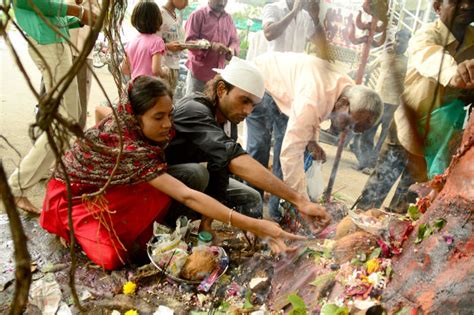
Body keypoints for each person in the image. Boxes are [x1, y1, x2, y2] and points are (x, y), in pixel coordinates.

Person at [40, 76, 305, 270]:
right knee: (113, 259)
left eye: (169, 115)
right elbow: (188, 196)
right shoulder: (129, 146)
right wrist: (258, 223)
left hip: (123, 184)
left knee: (162, 201)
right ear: (135, 116)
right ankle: (69, 228)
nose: (168, 125)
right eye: (158, 118)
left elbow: (223, 166)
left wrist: (209, 223)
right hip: (73, 197)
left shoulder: (142, 128)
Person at [165, 57, 331, 233]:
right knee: (197, 174)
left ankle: (253, 241)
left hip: (189, 182)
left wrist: (207, 224)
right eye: (244, 100)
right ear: (221, 89)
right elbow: (231, 157)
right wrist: (299, 201)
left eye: (253, 104)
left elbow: (219, 172)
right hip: (160, 179)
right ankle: (169, 229)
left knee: (251, 197)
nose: (248, 111)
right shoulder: (194, 110)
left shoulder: (229, 123)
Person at [356, 0, 474, 211]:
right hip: (405, 130)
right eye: (456, 1)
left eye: (471, 2)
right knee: (373, 196)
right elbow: (434, 60)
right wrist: (457, 75)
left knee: (408, 204)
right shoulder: (425, 35)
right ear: (438, 8)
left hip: (436, 142)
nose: (466, 6)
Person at [248, 52, 383, 221]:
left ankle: (277, 214)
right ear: (343, 104)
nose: (347, 131)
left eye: (354, 130)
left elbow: (313, 116)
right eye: (350, 125)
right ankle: (250, 212)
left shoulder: (347, 91)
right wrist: (304, 203)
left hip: (292, 93)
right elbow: (291, 151)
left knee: (289, 160)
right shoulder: (313, 98)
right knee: (260, 148)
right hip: (264, 82)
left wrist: (312, 142)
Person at [9, 0, 96, 214]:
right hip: (50, 47)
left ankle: (60, 179)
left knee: (68, 120)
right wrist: (78, 11)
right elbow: (34, 4)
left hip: (55, 44)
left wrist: (77, 20)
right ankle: (16, 186)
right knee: (65, 122)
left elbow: (50, 15)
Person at [351, 29, 411, 173]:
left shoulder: (408, 63)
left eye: (403, 42)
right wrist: (354, 74)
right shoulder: (384, 55)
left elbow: (409, 83)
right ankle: (365, 162)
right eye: (397, 40)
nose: (399, 44)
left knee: (383, 137)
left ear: (408, 43)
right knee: (368, 132)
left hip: (394, 104)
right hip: (377, 102)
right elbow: (368, 68)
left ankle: (372, 165)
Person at [183, 0, 239, 94]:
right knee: (194, 106)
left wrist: (231, 50)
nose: (222, 3)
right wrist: (211, 46)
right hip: (198, 75)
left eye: (225, 0)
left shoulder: (228, 19)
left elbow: (235, 41)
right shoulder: (197, 15)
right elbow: (189, 43)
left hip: (219, 77)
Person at [262, 0, 329, 59]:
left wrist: (315, 18)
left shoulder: (305, 16)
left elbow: (321, 44)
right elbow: (269, 34)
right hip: (275, 67)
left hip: (295, 69)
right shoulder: (273, 8)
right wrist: (294, 12)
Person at [122, 1, 167, 80]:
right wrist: (164, 72)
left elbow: (125, 69)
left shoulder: (131, 42)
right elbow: (156, 70)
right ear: (157, 19)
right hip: (149, 87)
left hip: (135, 86)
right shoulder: (157, 42)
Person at [158, 0, 188, 92]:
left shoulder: (176, 16)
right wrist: (167, 46)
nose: (187, 4)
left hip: (175, 66)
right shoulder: (159, 15)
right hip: (163, 68)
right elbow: (151, 44)